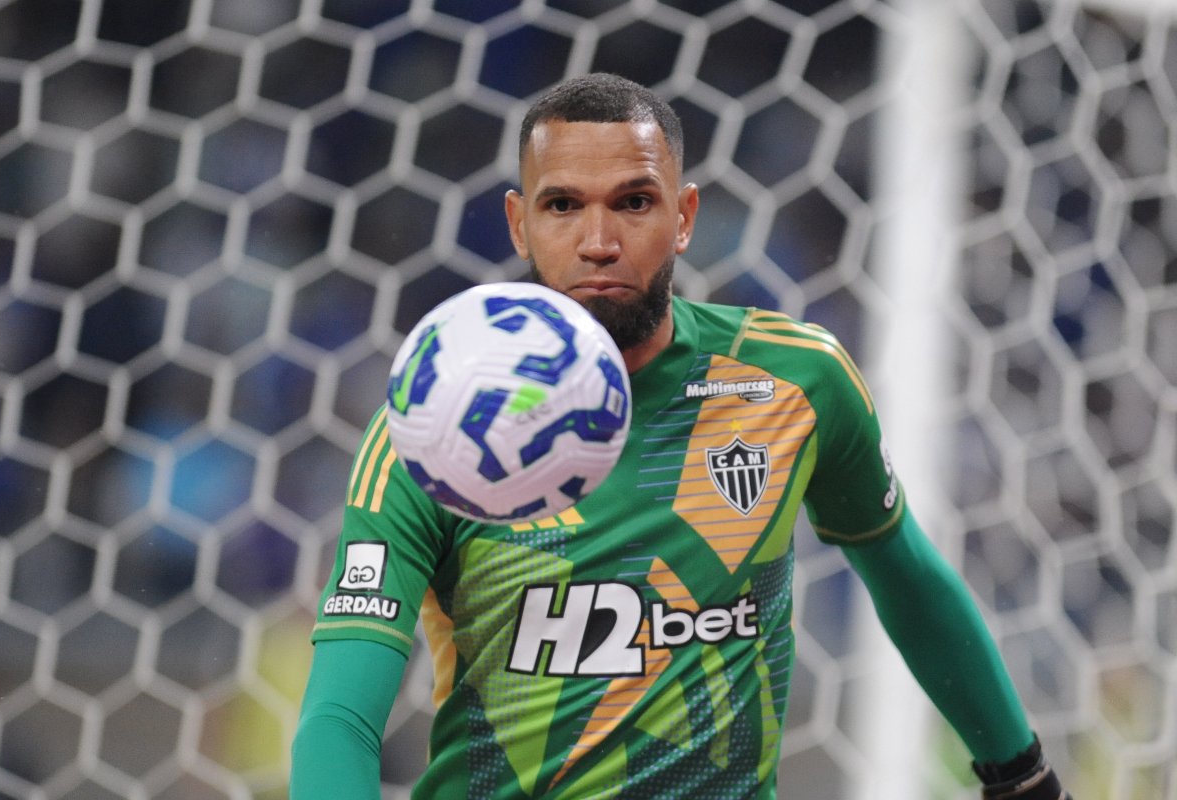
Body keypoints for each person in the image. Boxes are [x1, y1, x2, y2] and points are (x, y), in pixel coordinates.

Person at [291, 73, 1071, 799]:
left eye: (633, 202)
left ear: (685, 217)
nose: (598, 241)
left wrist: (1022, 775)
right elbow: (341, 719)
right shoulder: (434, 427)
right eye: (562, 205)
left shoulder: (797, 383)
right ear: (519, 223)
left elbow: (904, 574)